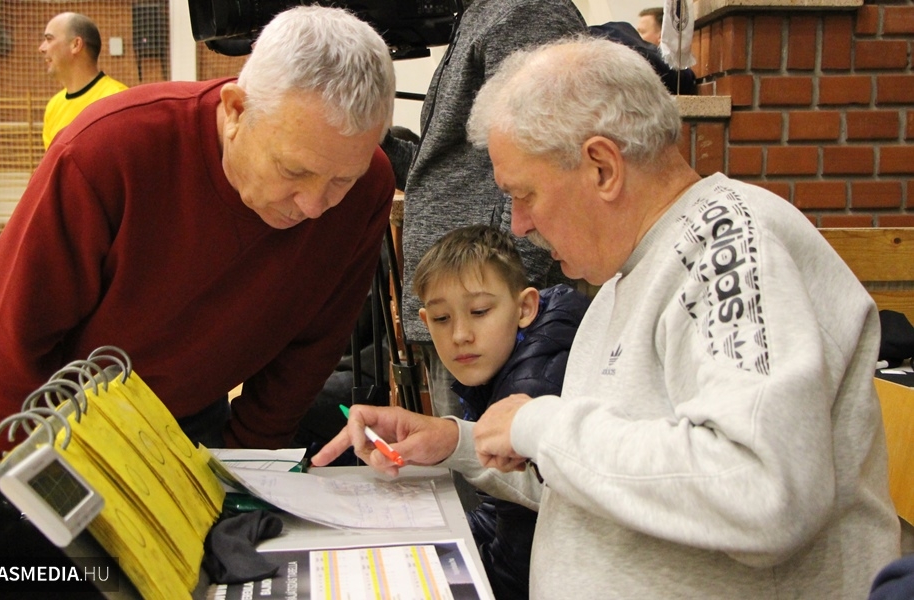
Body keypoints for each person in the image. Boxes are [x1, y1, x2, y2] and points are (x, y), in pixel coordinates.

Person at [315, 35, 901, 598]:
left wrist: (539, 424)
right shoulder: (626, 276)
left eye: (524, 194)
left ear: (601, 167)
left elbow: (762, 490)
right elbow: (610, 480)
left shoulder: (728, 245)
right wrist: (459, 443)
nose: (518, 224)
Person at [0, 6, 396, 511]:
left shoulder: (369, 188)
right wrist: (28, 490)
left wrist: (245, 468)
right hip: (44, 418)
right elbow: (7, 339)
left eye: (341, 180)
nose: (315, 206)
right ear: (236, 111)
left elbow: (311, 349)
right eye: (293, 171)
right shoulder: (107, 149)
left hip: (187, 417)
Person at [380, 0, 588, 422]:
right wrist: (366, 135)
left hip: (495, 311)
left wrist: (500, 298)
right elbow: (439, 168)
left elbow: (544, 159)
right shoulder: (480, 14)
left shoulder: (523, 9)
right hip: (467, 303)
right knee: (467, 452)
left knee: (499, 454)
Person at [412, 224, 587, 600]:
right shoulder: (503, 360)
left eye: (479, 311)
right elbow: (498, 515)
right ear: (425, 322)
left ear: (525, 308)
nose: (460, 334)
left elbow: (515, 554)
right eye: (442, 319)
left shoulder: (531, 385)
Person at [38, 12, 127, 150]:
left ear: (76, 44)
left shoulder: (118, 99)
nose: (42, 48)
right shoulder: (53, 107)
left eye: (49, 39)